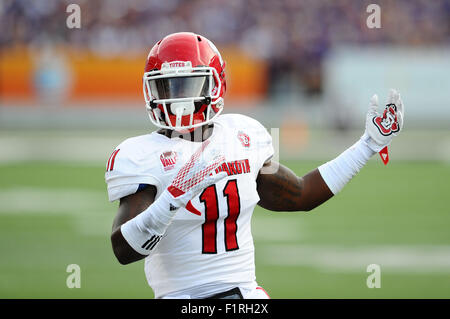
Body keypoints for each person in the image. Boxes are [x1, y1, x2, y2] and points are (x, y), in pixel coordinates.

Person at [105, 32, 404, 299]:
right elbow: (124, 250)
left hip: (246, 295)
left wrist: (367, 145)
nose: (179, 100)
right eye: (169, 88)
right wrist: (170, 202)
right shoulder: (140, 154)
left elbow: (300, 194)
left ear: (216, 84)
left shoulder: (243, 135)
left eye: (189, 85)